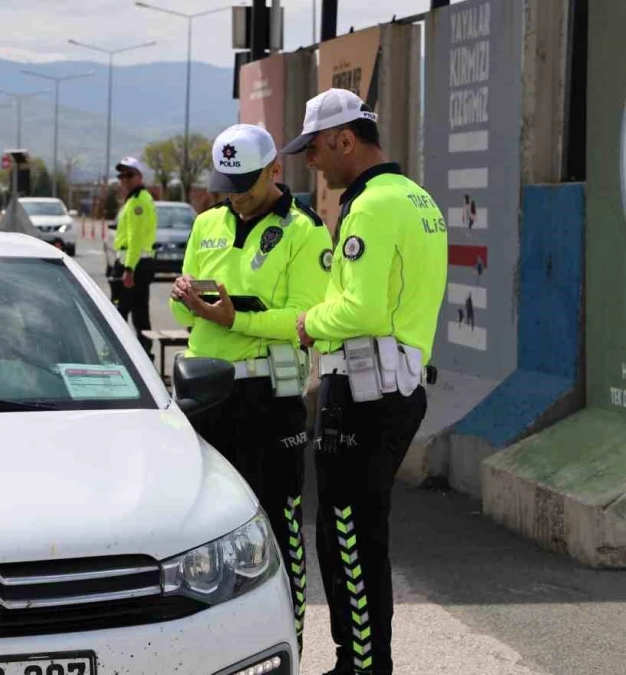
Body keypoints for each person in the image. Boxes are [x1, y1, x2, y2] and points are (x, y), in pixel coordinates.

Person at [284, 88, 446, 675]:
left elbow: (360, 311)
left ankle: (360, 665)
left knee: (345, 534)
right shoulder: (417, 198)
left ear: (345, 139)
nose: (312, 162)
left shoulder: (372, 205)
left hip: (364, 394)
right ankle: (367, 661)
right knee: (362, 531)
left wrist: (306, 324)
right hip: (396, 390)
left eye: (317, 149)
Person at [170, 124, 331, 653]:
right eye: (226, 182)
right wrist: (185, 297)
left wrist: (235, 317)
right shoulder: (208, 223)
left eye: (245, 181)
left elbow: (307, 319)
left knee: (281, 528)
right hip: (205, 396)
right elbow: (181, 307)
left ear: (276, 170)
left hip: (268, 398)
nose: (234, 193)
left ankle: (292, 648)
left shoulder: (306, 231)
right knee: (195, 535)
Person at [109, 156, 157, 353]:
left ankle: (113, 353)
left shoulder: (138, 202)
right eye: (121, 176)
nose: (125, 179)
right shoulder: (136, 199)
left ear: (140, 176)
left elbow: (135, 237)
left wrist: (128, 269)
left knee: (117, 312)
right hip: (139, 262)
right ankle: (144, 352)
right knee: (139, 312)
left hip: (133, 263)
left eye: (129, 175)